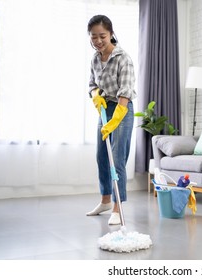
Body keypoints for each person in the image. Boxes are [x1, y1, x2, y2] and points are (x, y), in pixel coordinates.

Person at [86, 15, 136, 225]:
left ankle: (117, 206)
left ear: (111, 34)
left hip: (122, 109)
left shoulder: (123, 58)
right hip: (105, 109)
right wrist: (96, 95)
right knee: (101, 156)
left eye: (102, 36)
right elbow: (91, 84)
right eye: (93, 37)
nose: (98, 41)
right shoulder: (95, 59)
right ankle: (105, 200)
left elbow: (125, 92)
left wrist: (117, 117)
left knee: (117, 159)